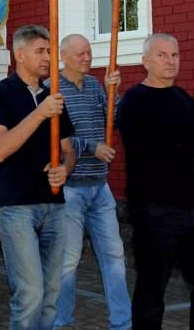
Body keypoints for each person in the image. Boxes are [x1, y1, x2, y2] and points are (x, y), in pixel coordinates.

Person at [117, 33, 194, 330]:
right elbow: (145, 158)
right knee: (152, 292)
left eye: (174, 55)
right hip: (154, 210)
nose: (170, 61)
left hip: (191, 210)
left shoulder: (181, 97)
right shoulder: (134, 101)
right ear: (145, 61)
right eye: (162, 55)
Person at [0, 24, 77, 329]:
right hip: (17, 206)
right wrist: (40, 113)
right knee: (30, 293)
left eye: (50, 51)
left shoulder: (53, 97)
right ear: (19, 55)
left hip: (55, 205)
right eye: (40, 51)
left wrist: (64, 168)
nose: (48, 57)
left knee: (51, 295)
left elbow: (68, 151)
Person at [48, 35, 131, 330]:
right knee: (68, 260)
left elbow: (116, 120)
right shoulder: (52, 89)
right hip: (70, 187)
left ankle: (122, 323)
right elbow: (53, 135)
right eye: (80, 53)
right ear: (63, 56)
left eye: (89, 52)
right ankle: (60, 321)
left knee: (114, 256)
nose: (87, 58)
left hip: (100, 186)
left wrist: (114, 92)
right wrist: (92, 146)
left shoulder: (96, 85)